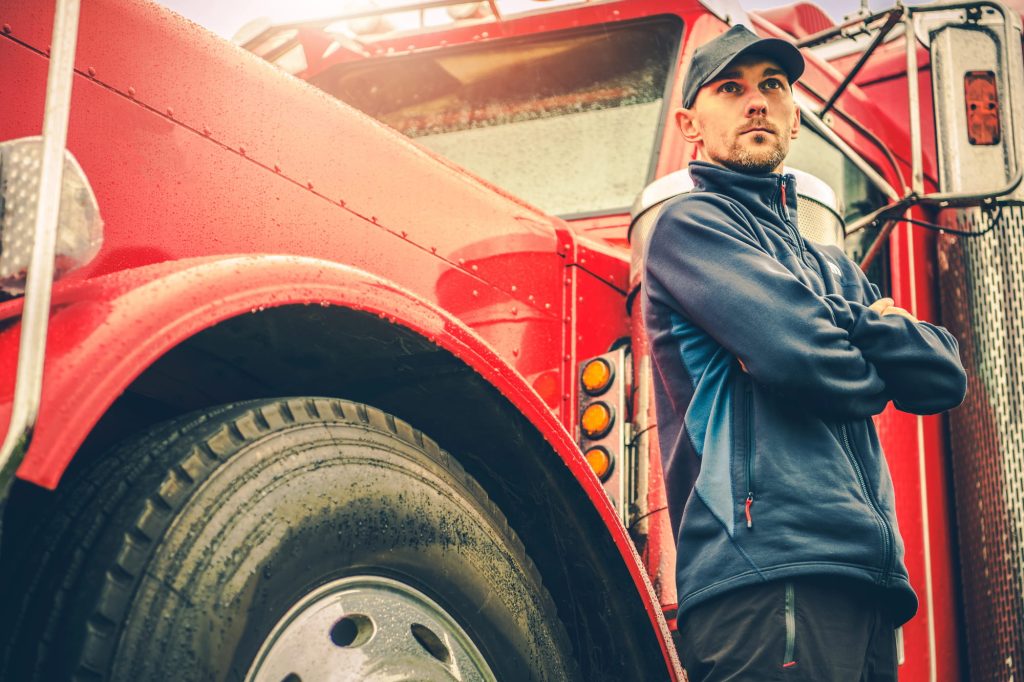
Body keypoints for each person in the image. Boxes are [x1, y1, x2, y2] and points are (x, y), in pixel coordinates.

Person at [641, 24, 967, 681]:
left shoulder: (831, 264)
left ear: (795, 121)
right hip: (765, 571)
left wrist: (833, 318)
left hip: (867, 576)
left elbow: (941, 376)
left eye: (773, 87)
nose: (756, 101)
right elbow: (810, 364)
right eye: (730, 88)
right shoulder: (692, 228)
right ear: (690, 123)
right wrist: (869, 329)